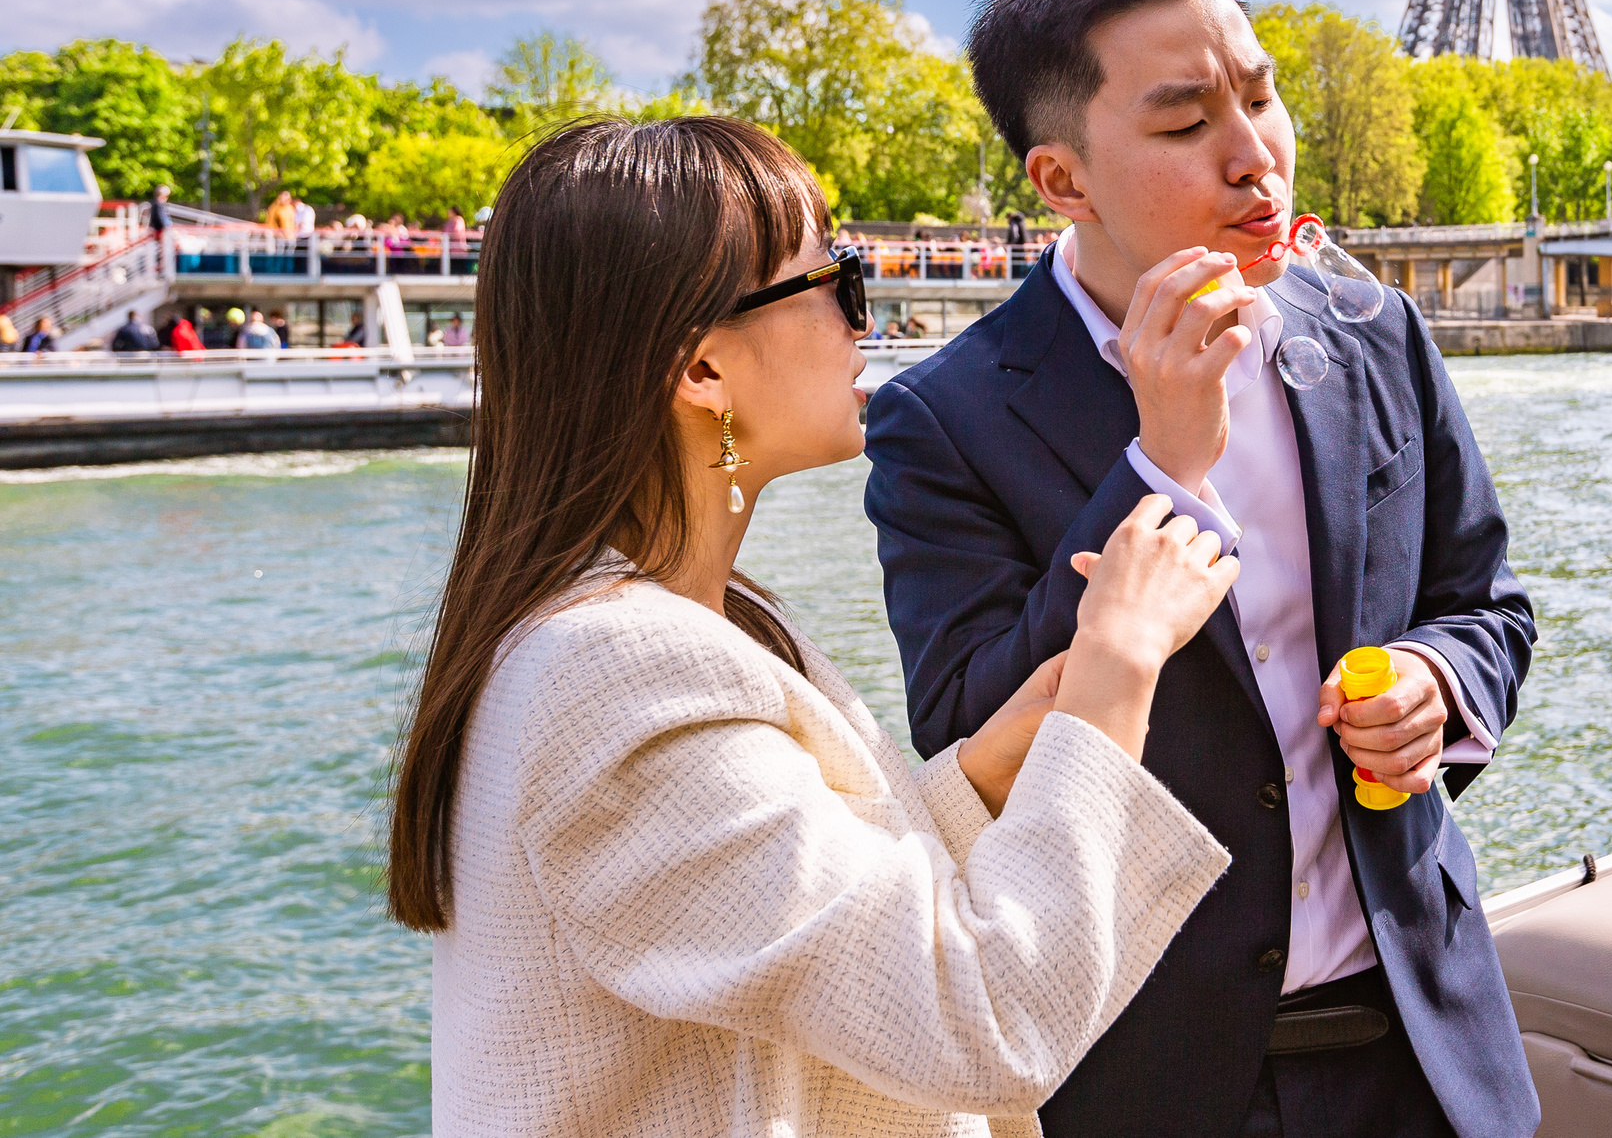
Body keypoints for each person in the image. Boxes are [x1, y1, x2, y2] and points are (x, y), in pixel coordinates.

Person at [389, 115, 1239, 1137]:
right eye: (833, 285)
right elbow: (983, 1020)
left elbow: (779, 904)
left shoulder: (681, 621)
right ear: (700, 371)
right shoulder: (619, 666)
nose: (861, 319)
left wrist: (980, 775)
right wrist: (1117, 665)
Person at [865, 0, 1540, 1138]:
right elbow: (977, 749)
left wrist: (1441, 685)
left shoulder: (1372, 329)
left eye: (1262, 97)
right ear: (1060, 179)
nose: (1256, 156)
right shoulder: (942, 418)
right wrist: (1160, 466)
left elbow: (1485, 604)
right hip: (1152, 1078)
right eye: (1185, 122)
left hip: (1428, 1046)